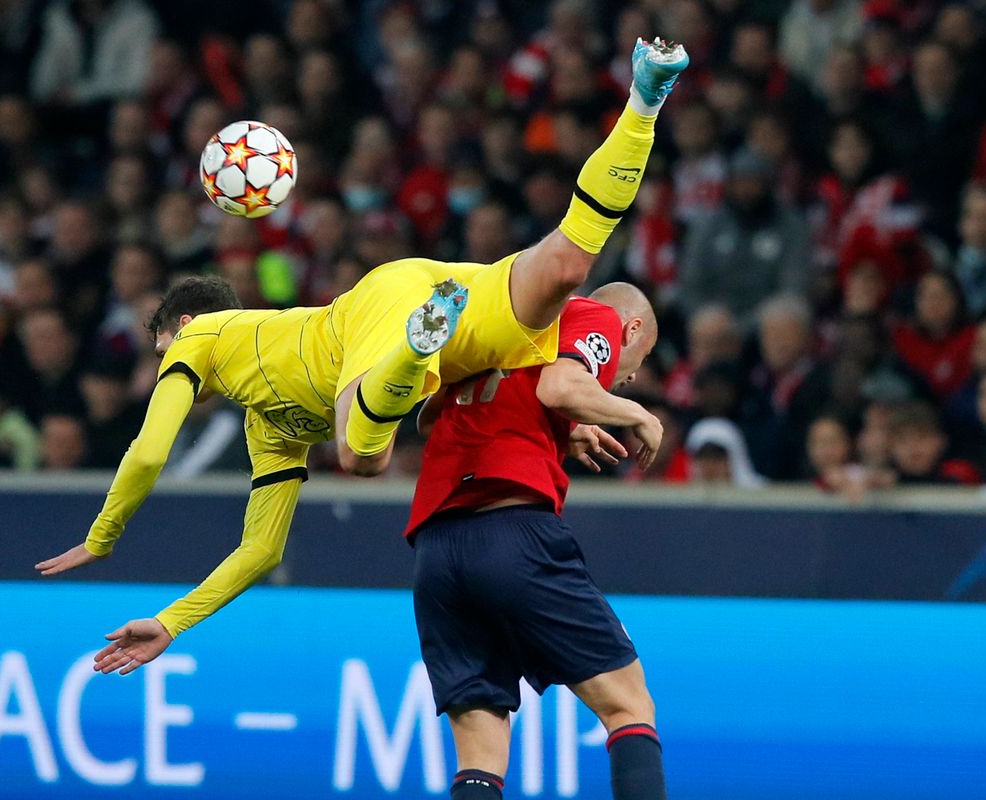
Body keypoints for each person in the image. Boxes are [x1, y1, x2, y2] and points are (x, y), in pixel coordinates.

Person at [35, 40, 690, 675]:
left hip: (377, 318)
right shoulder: (271, 427)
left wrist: (103, 537)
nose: (160, 369)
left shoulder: (202, 339)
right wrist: (174, 620)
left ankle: (412, 354)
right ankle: (644, 102)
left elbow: (150, 451)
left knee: (360, 454)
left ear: (179, 324)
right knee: (570, 261)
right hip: (444, 294)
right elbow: (261, 550)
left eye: (159, 351)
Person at [407, 283, 665, 800]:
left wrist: (556, 428)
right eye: (636, 361)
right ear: (631, 329)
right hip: (512, 534)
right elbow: (561, 385)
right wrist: (637, 413)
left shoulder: (507, 326)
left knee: (480, 750)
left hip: (436, 550)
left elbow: (428, 416)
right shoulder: (595, 316)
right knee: (628, 704)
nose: (629, 375)